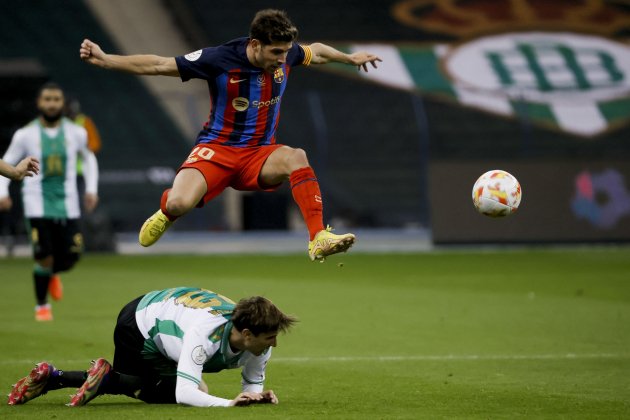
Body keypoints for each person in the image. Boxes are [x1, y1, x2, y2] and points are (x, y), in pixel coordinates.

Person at [79, 9, 382, 261]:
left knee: (297, 156)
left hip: (260, 153)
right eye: (276, 52)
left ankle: (318, 237)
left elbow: (316, 52)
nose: (282, 58)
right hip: (217, 150)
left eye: (286, 51)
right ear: (255, 44)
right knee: (179, 204)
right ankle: (166, 212)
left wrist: (349, 58)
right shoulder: (218, 58)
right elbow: (158, 64)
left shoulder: (286, 54)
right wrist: (107, 60)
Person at [7, 287, 296, 407]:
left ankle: (52, 376)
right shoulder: (203, 335)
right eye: (269, 337)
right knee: (171, 389)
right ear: (246, 334)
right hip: (139, 324)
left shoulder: (258, 342)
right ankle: (78, 377)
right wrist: (229, 404)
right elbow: (186, 394)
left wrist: (256, 397)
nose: (274, 343)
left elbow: (252, 386)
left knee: (187, 386)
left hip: (166, 316)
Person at [0, 82, 99, 321]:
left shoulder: (77, 132)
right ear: (39, 103)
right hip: (36, 202)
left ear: (62, 103)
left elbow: (88, 159)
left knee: (72, 255)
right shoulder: (25, 134)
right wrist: (2, 191)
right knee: (43, 254)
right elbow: (8, 161)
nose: (52, 104)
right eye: (47, 99)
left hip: (68, 202)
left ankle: (52, 273)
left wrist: (91, 189)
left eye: (56, 99)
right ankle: (42, 306)